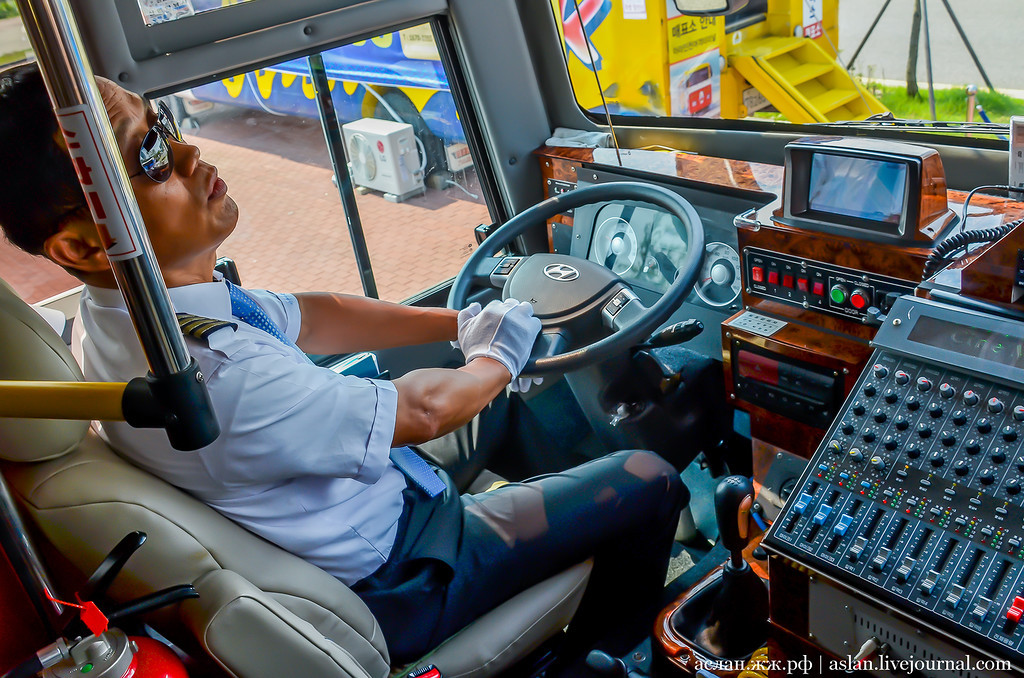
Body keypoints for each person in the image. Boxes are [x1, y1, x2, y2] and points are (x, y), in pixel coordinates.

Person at [0, 62, 685, 662]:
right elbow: (421, 411)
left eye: (165, 124)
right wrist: (499, 355)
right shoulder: (213, 376)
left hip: (370, 510)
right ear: (83, 248)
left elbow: (315, 312)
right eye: (149, 154)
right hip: (404, 574)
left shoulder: (143, 315)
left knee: (497, 407)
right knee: (650, 477)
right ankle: (611, 653)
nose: (186, 150)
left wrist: (466, 322)